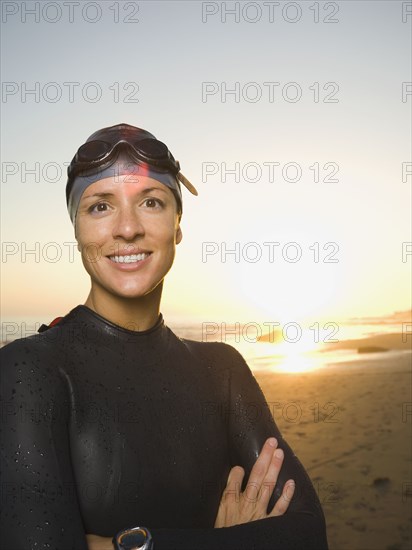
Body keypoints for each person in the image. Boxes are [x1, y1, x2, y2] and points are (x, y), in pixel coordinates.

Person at [0, 123, 329, 550]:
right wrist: (228, 541)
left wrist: (127, 544)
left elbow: (307, 535)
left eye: (151, 202)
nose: (127, 228)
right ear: (78, 231)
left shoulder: (222, 369)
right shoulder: (29, 370)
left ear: (177, 227)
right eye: (100, 206)